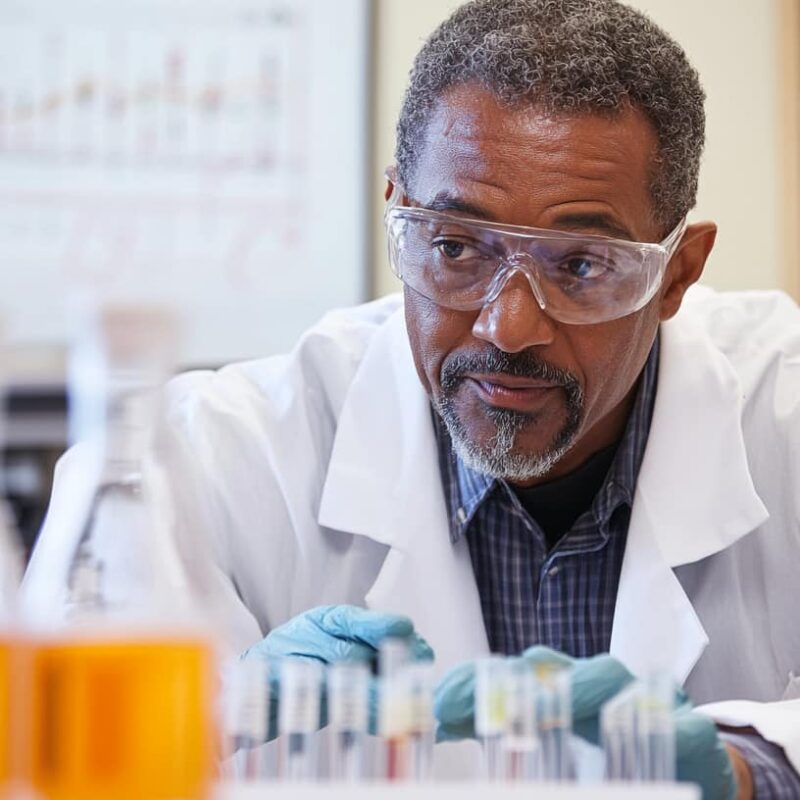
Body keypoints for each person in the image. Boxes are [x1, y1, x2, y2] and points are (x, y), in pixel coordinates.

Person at [25, 0, 800, 796]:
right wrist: (209, 722)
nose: (508, 326)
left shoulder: (785, 412)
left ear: (677, 272)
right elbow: (44, 763)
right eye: (456, 247)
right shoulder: (209, 462)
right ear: (399, 213)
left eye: (579, 266)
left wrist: (756, 766)